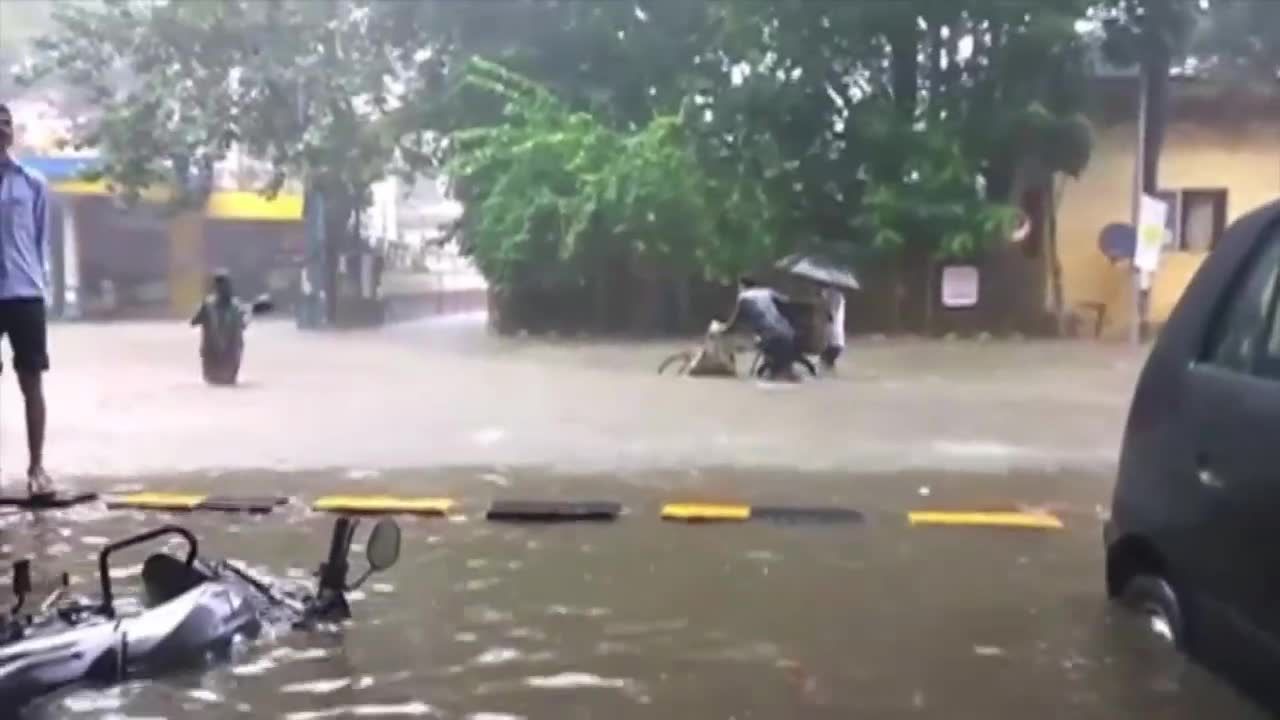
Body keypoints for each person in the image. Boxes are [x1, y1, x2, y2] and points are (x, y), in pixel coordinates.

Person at [0, 103, 54, 497]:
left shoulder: (32, 183)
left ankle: (36, 468)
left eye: (6, 123)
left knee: (31, 381)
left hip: (24, 292)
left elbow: (40, 241)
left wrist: (40, 284)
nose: (1, 129)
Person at [724, 276, 811, 381]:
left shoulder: (743, 297)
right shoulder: (768, 292)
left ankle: (776, 369)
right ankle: (783, 370)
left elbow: (735, 320)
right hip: (788, 332)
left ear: (742, 286)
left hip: (768, 335)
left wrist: (724, 329)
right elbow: (787, 303)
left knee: (765, 344)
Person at [191, 271, 249, 385]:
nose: (224, 289)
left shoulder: (236, 307)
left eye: (225, 286)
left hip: (230, 352)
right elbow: (194, 322)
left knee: (224, 382)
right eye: (221, 286)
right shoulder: (208, 306)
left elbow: (243, 324)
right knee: (214, 382)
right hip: (213, 351)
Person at [819, 283, 846, 372]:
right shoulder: (833, 294)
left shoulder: (834, 295)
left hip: (832, 337)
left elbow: (831, 314)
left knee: (827, 363)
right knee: (828, 365)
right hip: (833, 338)